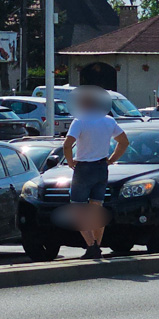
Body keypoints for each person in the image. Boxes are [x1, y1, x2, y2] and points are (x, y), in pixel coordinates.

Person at [63, 88, 130, 259]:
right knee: (96, 209)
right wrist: (111, 159)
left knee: (77, 209)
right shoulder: (108, 120)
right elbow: (123, 142)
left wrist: (71, 162)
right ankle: (96, 247)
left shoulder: (79, 121)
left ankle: (91, 245)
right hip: (102, 167)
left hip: (84, 167)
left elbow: (67, 144)